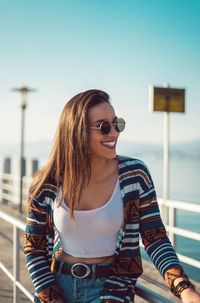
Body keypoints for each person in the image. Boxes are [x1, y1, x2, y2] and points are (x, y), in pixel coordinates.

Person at [24, 89, 200, 303]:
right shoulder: (48, 183)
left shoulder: (134, 175)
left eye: (117, 124)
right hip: (57, 287)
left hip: (112, 290)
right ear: (76, 131)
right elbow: (34, 247)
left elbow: (155, 238)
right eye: (103, 127)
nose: (114, 133)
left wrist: (184, 288)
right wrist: (51, 298)